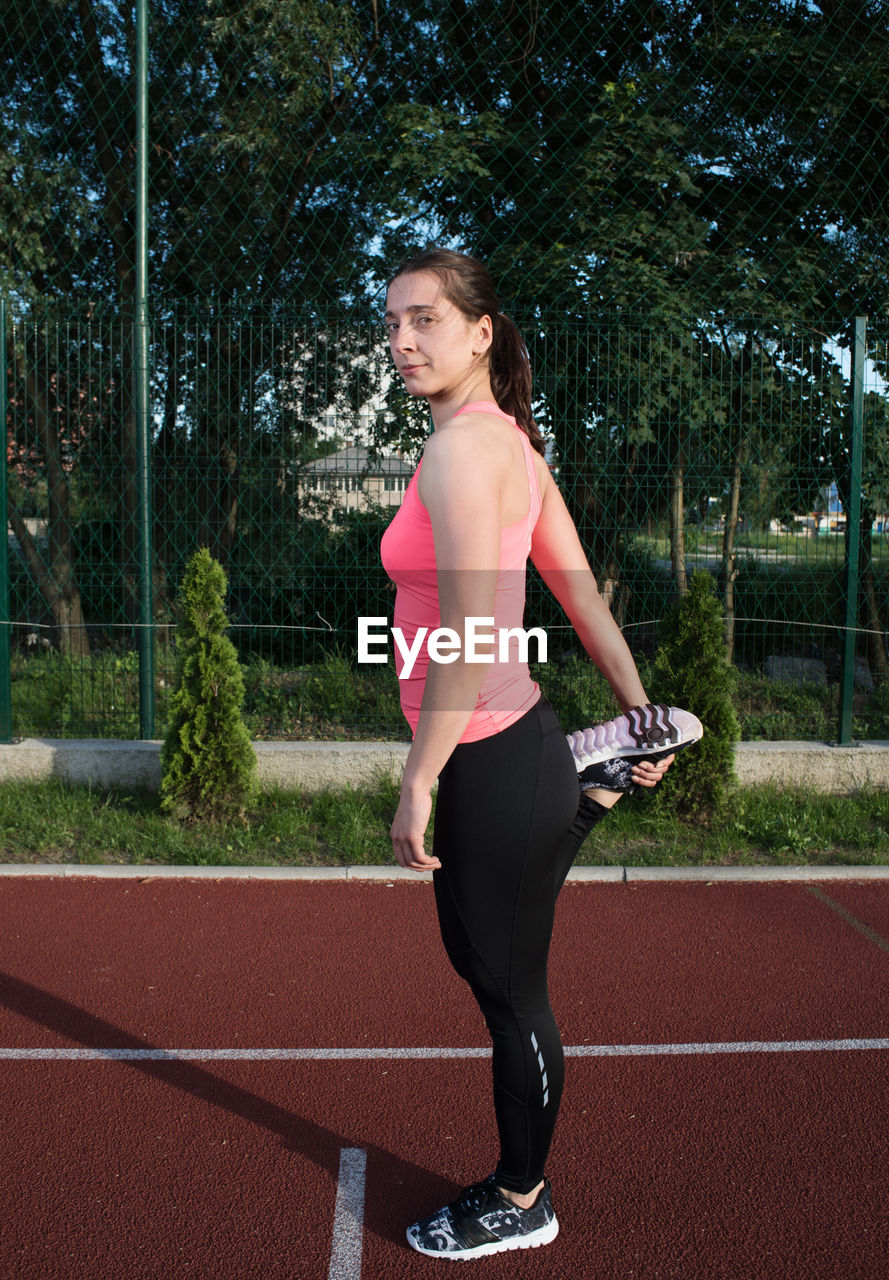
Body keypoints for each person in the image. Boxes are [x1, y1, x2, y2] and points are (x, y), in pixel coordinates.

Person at [379, 248, 702, 1260]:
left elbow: (475, 629)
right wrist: (638, 713)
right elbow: (581, 595)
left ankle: (522, 1196)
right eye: (391, 323)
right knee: (481, 953)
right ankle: (592, 779)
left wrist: (420, 775)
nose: (401, 341)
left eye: (424, 320)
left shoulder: (464, 452)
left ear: (481, 331)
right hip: (513, 752)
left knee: (507, 988)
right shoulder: (505, 443)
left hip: (488, 755)